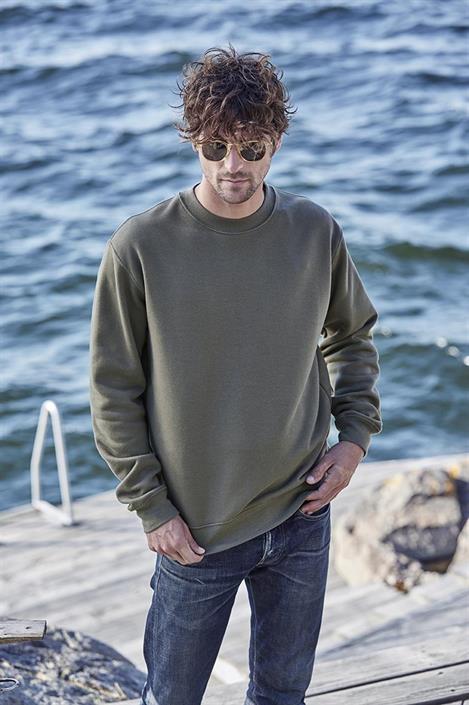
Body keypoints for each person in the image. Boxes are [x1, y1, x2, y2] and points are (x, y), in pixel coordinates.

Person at [89, 44, 382, 705]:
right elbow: (112, 391)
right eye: (216, 147)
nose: (233, 167)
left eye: (251, 149)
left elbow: (351, 336)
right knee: (170, 699)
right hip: (196, 531)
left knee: (282, 695)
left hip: (302, 512)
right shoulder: (139, 247)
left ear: (275, 142)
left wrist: (353, 442)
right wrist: (151, 507)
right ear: (194, 140)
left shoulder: (314, 231)